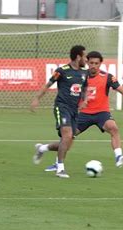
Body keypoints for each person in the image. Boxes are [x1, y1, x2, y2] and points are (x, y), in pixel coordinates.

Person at [38, 51, 123, 171]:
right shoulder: (80, 75)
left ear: (100, 64)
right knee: (67, 140)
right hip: (82, 115)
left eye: (96, 63)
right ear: (86, 62)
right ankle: (44, 150)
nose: (93, 65)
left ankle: (118, 158)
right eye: (91, 62)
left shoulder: (107, 77)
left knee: (113, 128)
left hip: (101, 113)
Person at [30, 45, 88, 178]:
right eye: (85, 56)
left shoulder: (84, 73)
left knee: (67, 143)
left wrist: (84, 100)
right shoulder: (62, 71)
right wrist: (36, 98)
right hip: (62, 107)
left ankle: (42, 148)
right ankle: (60, 168)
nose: (86, 59)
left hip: (74, 110)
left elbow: (84, 88)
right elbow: (48, 84)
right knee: (66, 136)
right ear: (78, 57)